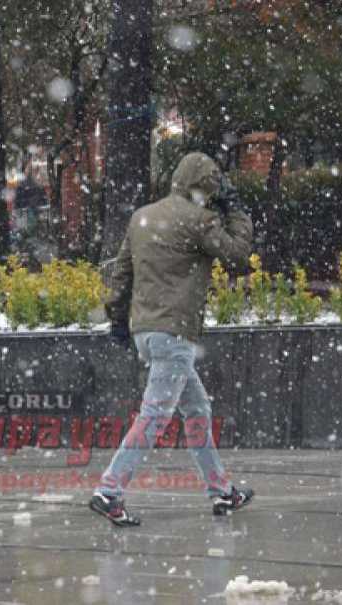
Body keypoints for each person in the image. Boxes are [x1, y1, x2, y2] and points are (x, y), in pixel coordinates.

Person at [90, 152, 254, 526]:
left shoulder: (142, 217)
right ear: (206, 186)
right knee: (154, 416)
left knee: (197, 410)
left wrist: (118, 319)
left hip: (146, 332)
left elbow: (121, 273)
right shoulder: (199, 219)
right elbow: (238, 256)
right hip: (174, 333)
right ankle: (109, 491)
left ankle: (222, 491)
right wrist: (236, 211)